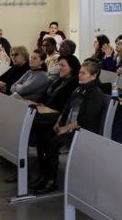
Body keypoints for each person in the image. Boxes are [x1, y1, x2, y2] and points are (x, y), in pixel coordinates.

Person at [31, 61, 108, 193]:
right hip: (70, 127)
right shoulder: (79, 88)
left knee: (52, 142)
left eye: (83, 73)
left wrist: (65, 129)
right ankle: (44, 174)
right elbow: (67, 107)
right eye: (80, 72)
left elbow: (85, 120)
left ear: (94, 75)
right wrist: (59, 122)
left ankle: (51, 180)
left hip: (82, 132)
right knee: (43, 136)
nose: (79, 75)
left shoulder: (95, 94)